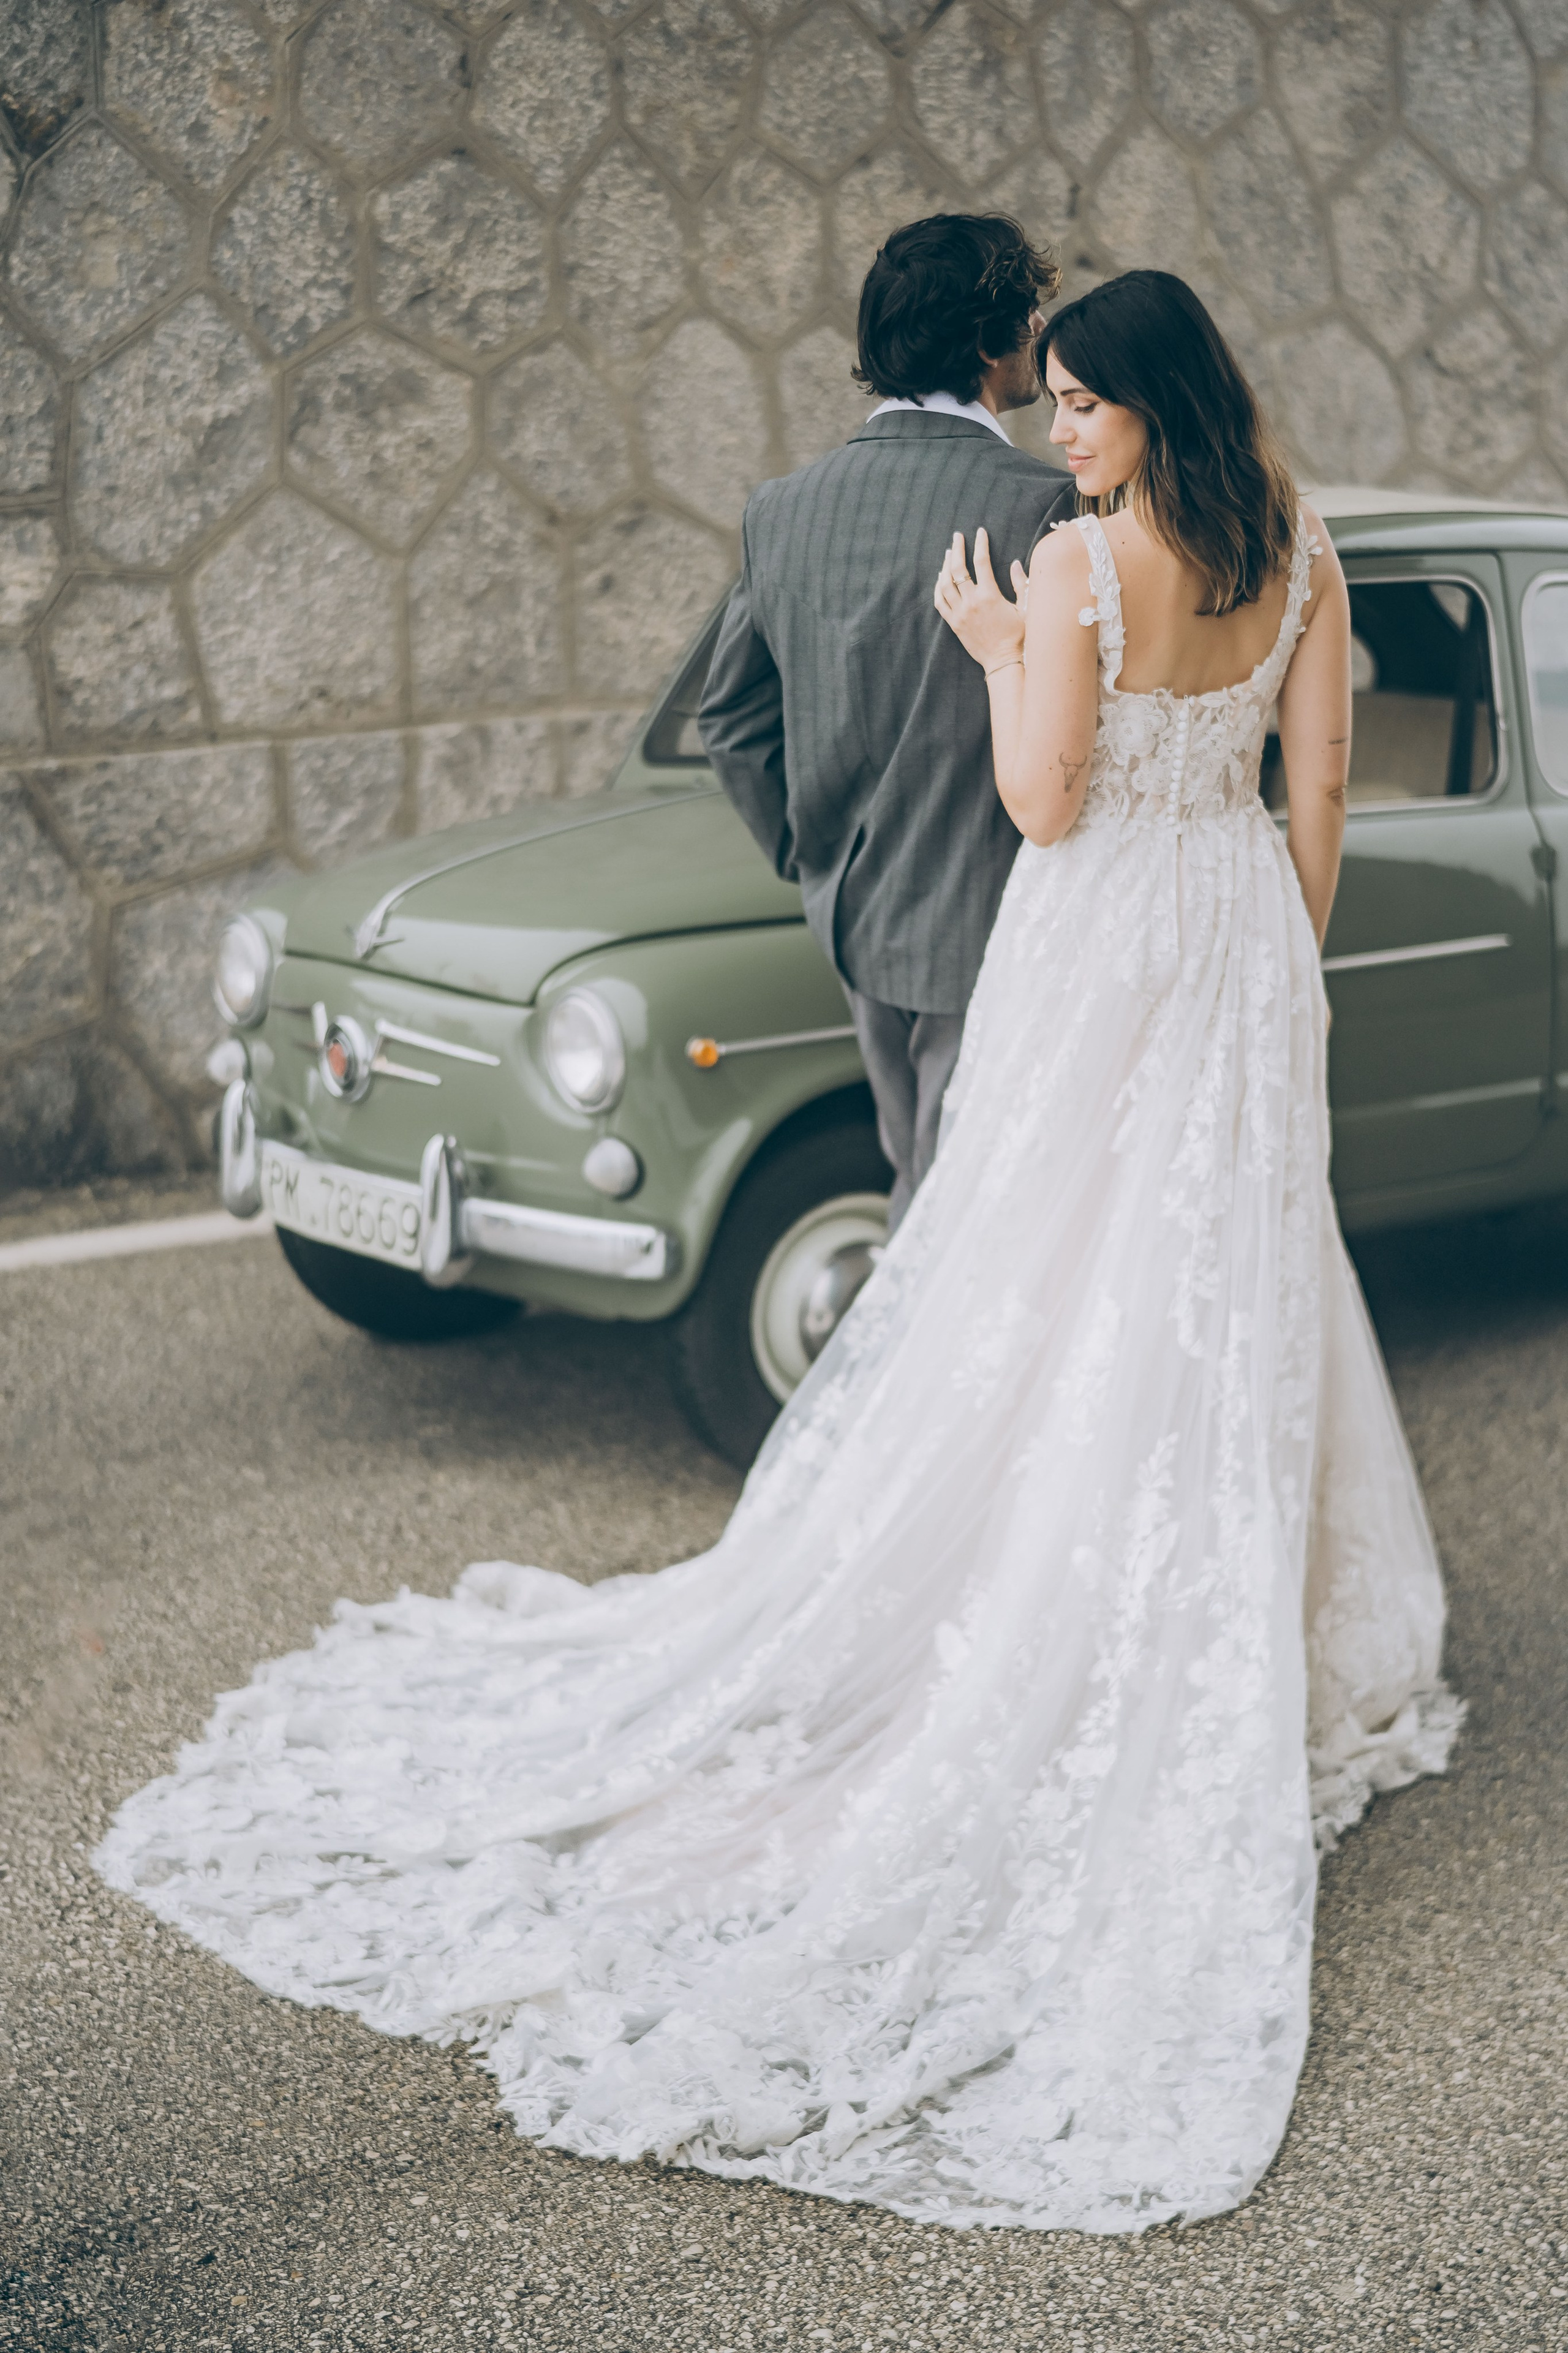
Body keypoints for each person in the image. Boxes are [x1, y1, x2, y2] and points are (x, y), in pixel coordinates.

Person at [97, 270, 1460, 2235]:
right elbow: (1314, 784)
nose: (1056, 428)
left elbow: (1043, 800)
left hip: (1095, 951)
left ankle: (1048, 1607)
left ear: (1149, 406)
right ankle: (1235, 1613)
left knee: (1042, 1279)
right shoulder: (1302, 534)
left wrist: (1000, 649)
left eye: (1081, 402)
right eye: (1052, 397)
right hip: (1238, 938)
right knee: (1207, 1292)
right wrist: (1279, 964)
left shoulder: (1077, 570)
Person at [699, 212, 1077, 1228]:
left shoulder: (783, 509)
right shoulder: (1046, 510)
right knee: (979, 1221)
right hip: (1004, 923)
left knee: (921, 1194)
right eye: (1028, 315)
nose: (1041, 332)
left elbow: (728, 718)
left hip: (854, 918)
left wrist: (810, 855)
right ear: (993, 344)